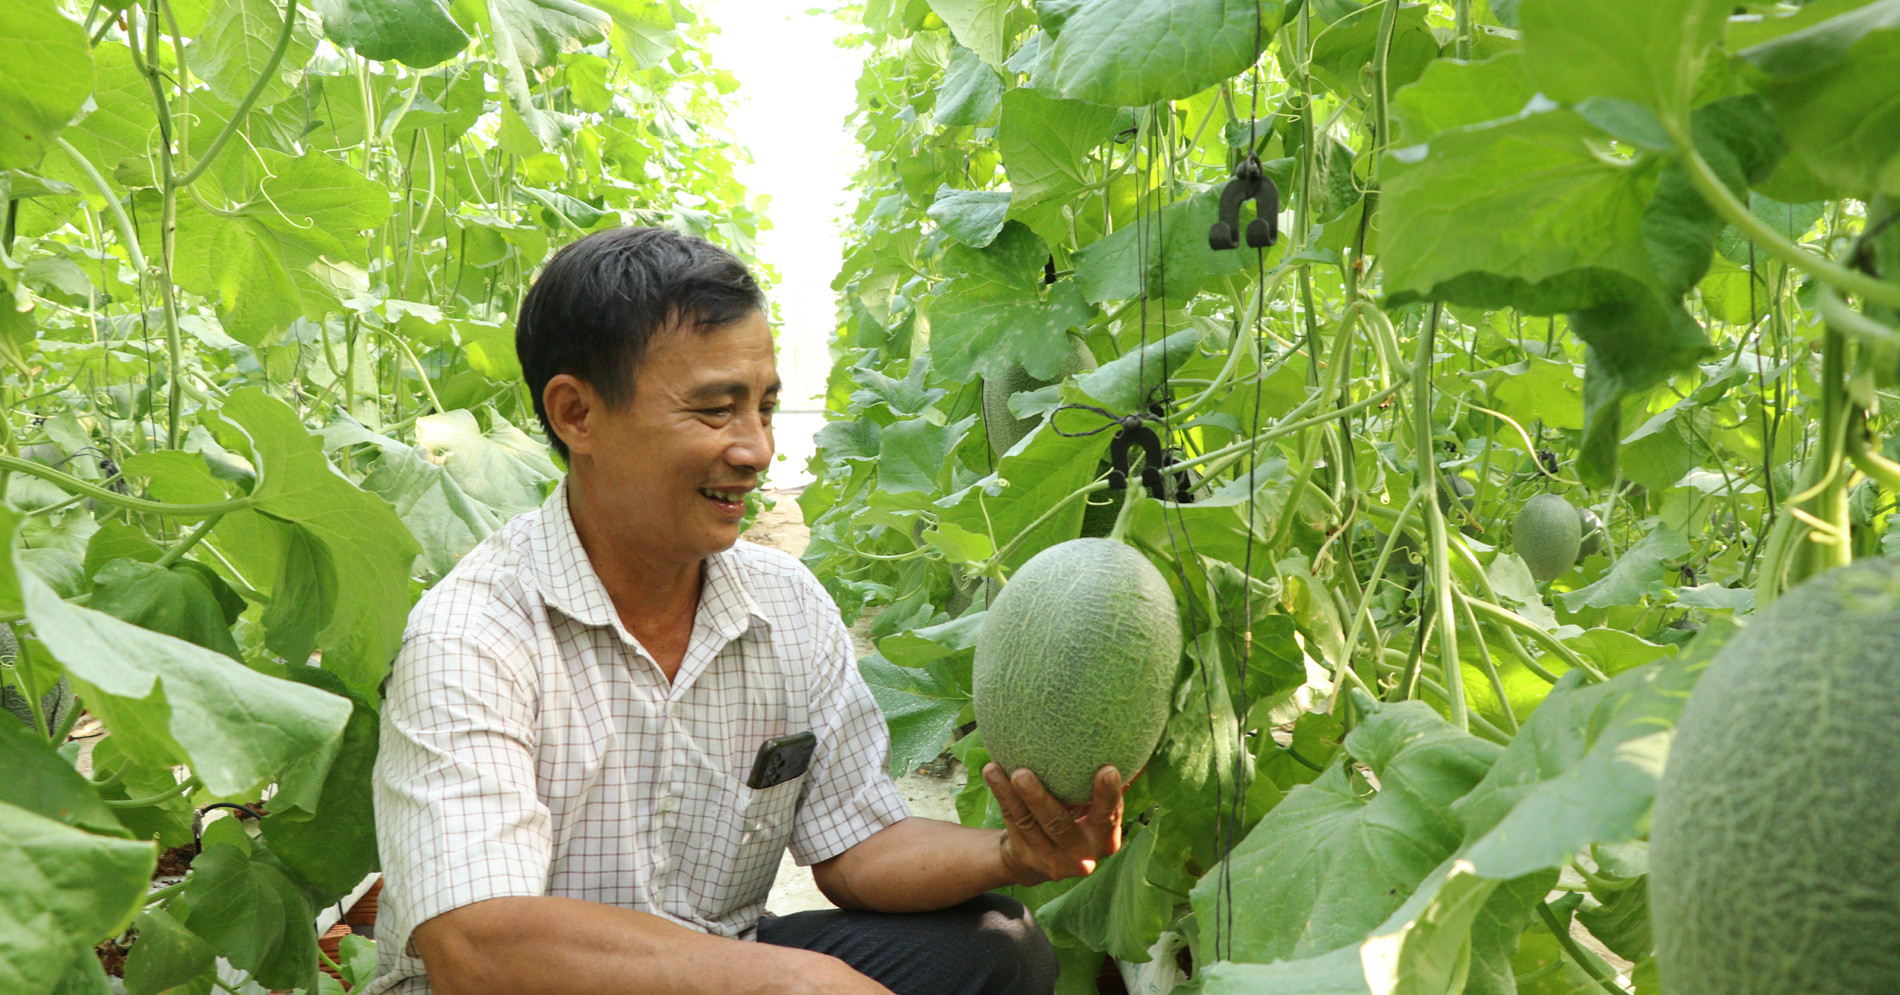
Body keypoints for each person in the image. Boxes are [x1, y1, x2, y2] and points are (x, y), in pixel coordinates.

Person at [366, 227, 1125, 995]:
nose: (756, 449)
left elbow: (857, 845)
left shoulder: (785, 603)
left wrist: (1013, 852)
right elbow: (479, 946)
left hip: (706, 968)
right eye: (714, 410)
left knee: (998, 946)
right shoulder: (471, 634)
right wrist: (788, 980)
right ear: (577, 414)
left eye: (764, 408)